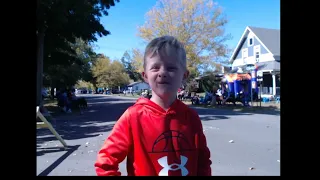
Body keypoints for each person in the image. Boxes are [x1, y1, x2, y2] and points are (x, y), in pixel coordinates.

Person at [94, 36, 212, 176]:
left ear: (184, 75)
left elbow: (203, 162)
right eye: (155, 67)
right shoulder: (133, 117)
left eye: (171, 68)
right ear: (145, 75)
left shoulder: (191, 118)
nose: (162, 73)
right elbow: (105, 162)